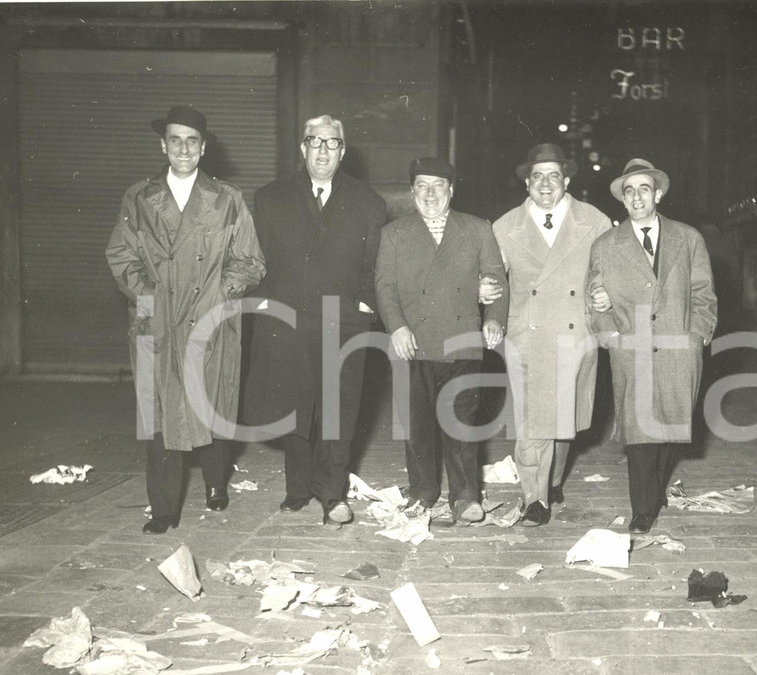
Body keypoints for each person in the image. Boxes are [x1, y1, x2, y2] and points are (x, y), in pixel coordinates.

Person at [105, 105, 265, 534]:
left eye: (191, 141)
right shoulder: (139, 198)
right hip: (157, 320)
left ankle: (216, 482)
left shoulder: (227, 199)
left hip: (210, 317)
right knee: (160, 412)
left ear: (203, 148)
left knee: (210, 403)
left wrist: (220, 293)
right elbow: (120, 254)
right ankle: (163, 508)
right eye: (175, 140)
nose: (183, 148)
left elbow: (250, 261)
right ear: (163, 146)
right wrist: (148, 297)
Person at [243, 114, 387, 524]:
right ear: (302, 147)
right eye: (315, 141)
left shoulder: (368, 202)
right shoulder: (270, 198)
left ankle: (332, 493)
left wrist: (365, 306)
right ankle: (297, 488)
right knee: (295, 406)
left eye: (332, 143)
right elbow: (257, 259)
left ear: (343, 151)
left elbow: (373, 264)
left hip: (343, 321)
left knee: (337, 409)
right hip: (287, 320)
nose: (323, 151)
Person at [375, 157, 508, 525]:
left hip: (461, 339)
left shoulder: (477, 228)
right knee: (416, 424)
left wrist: (494, 318)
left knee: (460, 421)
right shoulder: (394, 233)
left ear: (452, 190)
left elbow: (496, 278)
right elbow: (384, 286)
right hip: (412, 341)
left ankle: (465, 497)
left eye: (438, 186)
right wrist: (397, 327)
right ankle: (423, 490)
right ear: (412, 191)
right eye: (422, 186)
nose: (430, 194)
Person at [588, 158, 716, 534]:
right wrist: (610, 335)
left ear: (657, 194)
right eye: (629, 191)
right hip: (632, 347)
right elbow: (593, 297)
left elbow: (704, 293)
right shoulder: (606, 245)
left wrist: (698, 335)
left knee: (673, 427)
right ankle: (643, 508)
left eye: (644, 189)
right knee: (640, 430)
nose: (636, 197)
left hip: (680, 346)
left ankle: (657, 488)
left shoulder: (688, 238)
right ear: (623, 199)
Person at [490, 143, 612, 527]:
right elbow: (494, 278)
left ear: (567, 181)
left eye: (553, 176)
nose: (545, 184)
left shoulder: (595, 221)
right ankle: (534, 498)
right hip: (527, 333)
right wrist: (485, 294)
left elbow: (606, 272)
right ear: (527, 183)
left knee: (563, 420)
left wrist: (604, 295)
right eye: (537, 177)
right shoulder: (505, 226)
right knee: (534, 419)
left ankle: (553, 479)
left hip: (575, 332)